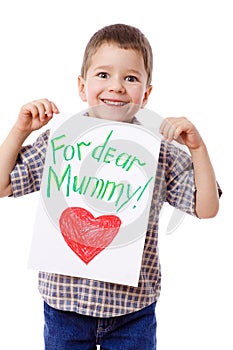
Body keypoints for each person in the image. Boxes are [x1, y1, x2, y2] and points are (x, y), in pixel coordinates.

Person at [0, 24, 221, 350]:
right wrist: (20, 130)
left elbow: (207, 208)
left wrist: (198, 149)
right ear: (82, 85)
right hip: (65, 306)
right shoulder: (60, 140)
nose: (116, 87)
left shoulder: (159, 151)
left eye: (130, 78)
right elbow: (3, 186)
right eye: (103, 75)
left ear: (146, 94)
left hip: (133, 311)